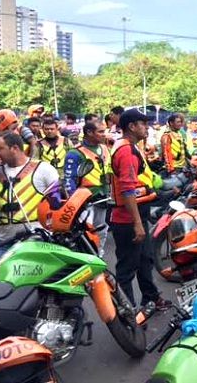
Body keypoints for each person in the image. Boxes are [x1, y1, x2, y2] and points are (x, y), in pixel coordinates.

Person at [109, 109, 170, 310]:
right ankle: (129, 312)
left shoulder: (129, 147)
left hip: (135, 216)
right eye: (143, 124)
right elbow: (127, 189)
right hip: (127, 220)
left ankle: (151, 298)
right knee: (127, 269)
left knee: (146, 260)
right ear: (131, 127)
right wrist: (136, 224)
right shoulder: (126, 150)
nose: (147, 127)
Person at [0, 131, 62, 276]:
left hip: (37, 239)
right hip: (4, 241)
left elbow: (57, 203)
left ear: (14, 148)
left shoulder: (43, 169)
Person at [64, 121, 111, 255]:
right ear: (89, 132)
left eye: (104, 131)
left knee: (101, 229)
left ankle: (99, 255)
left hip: (103, 197)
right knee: (85, 232)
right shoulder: (75, 153)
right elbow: (69, 181)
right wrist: (74, 204)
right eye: (101, 132)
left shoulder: (105, 148)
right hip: (84, 200)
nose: (104, 134)